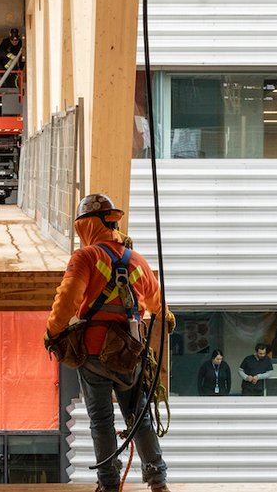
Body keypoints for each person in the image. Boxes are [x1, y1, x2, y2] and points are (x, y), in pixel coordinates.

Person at [44, 193, 173, 492]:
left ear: (86, 225)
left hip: (94, 354)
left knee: (101, 421)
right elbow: (157, 304)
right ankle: (158, 480)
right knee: (139, 415)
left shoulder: (86, 257)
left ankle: (109, 485)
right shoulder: (138, 262)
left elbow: (67, 300)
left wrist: (52, 332)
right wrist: (166, 315)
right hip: (130, 354)